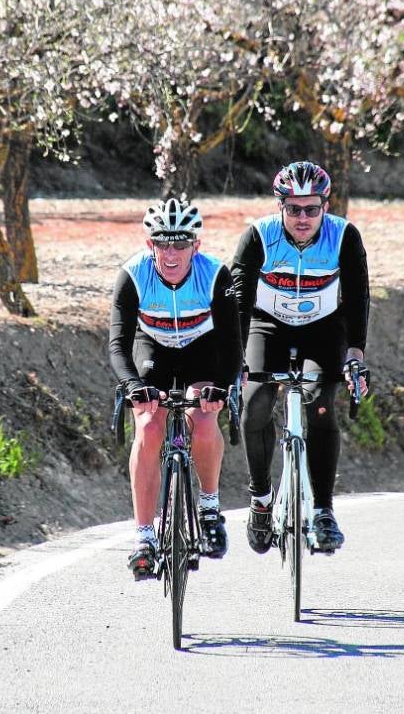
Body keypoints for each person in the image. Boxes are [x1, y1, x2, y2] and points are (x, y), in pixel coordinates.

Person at [231, 161, 369, 554]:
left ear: (325, 204)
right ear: (281, 207)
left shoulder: (344, 236)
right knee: (255, 404)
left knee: (321, 402)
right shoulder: (258, 236)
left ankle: (323, 510)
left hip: (323, 328)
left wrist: (355, 353)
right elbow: (238, 301)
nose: (303, 217)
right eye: (294, 209)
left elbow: (358, 297)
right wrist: (235, 358)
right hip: (267, 325)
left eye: (312, 208)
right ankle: (260, 500)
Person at [109, 197, 243, 579]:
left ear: (195, 245)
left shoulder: (216, 275)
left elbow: (233, 344)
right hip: (153, 349)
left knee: (203, 418)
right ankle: (144, 536)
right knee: (149, 426)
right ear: (150, 244)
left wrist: (220, 388)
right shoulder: (133, 274)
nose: (171, 253)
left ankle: (210, 507)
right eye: (162, 243)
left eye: (180, 243)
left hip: (203, 350)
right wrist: (133, 386)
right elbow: (118, 343)